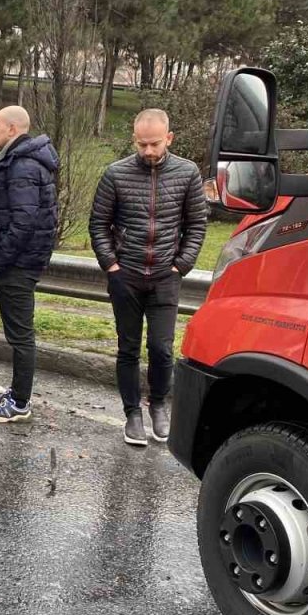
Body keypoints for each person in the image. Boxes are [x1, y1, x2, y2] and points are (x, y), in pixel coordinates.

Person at [89, 108, 207, 447]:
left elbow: (197, 224)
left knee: (161, 348)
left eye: (154, 144)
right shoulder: (115, 174)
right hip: (125, 276)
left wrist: (180, 265)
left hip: (165, 278)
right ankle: (132, 415)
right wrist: (111, 265)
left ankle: (158, 406)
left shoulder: (187, 173)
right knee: (127, 348)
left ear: (168, 138)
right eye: (141, 144)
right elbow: (99, 224)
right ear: (134, 140)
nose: (148, 151)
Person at [0, 105, 59, 424]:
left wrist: (2, 258)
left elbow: (23, 221)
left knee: (21, 335)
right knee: (19, 334)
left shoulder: (22, 165)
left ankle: (20, 403)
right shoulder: (25, 161)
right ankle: (17, 393)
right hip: (22, 260)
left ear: (12, 129)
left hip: (18, 263)